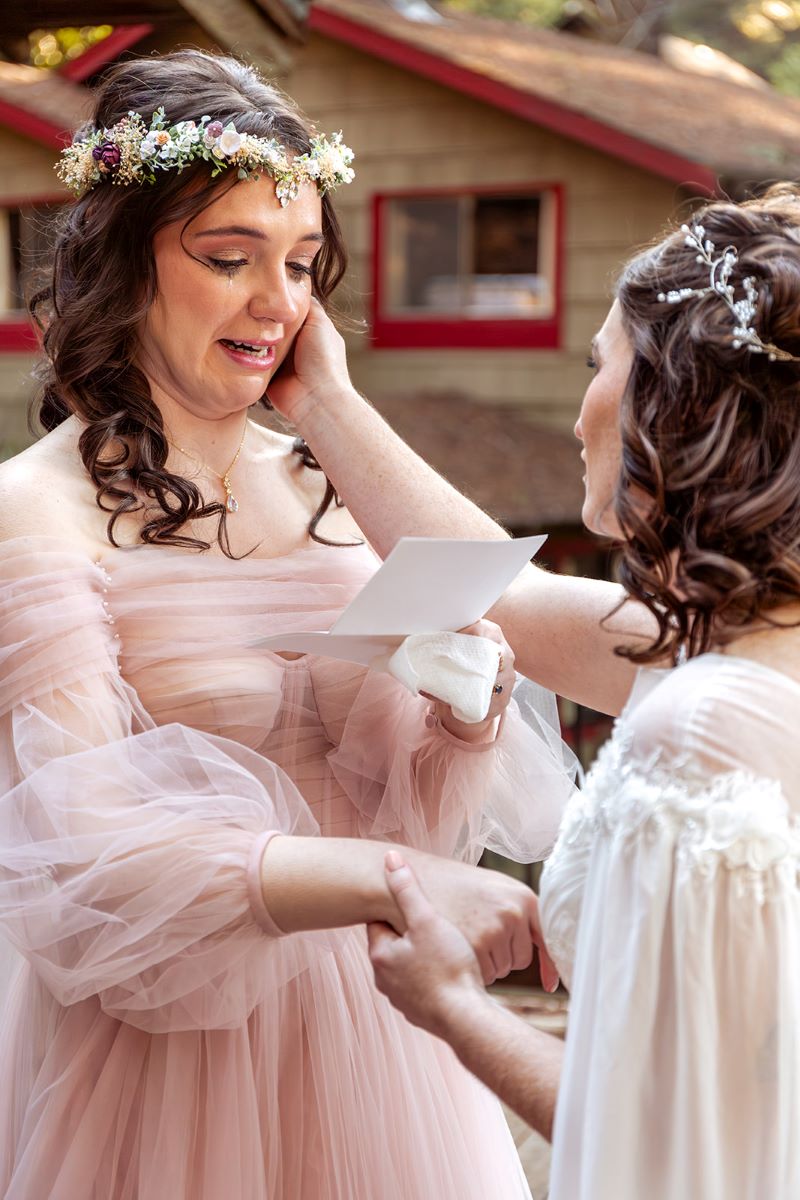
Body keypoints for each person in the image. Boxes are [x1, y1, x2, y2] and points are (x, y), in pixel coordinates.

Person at [0, 50, 577, 1199]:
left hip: (388, 1033)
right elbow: (86, 853)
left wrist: (460, 718)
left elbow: (403, 781)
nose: (278, 304)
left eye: (303, 265)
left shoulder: (327, 490)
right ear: (123, 261)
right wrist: (386, 881)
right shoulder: (32, 512)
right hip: (168, 1073)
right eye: (229, 259)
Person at [279, 189, 800, 1199]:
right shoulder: (737, 651)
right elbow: (500, 589)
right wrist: (320, 404)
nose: (575, 412)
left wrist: (452, 1005)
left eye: (595, 366)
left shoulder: (699, 729)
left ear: (670, 401)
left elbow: (659, 1149)